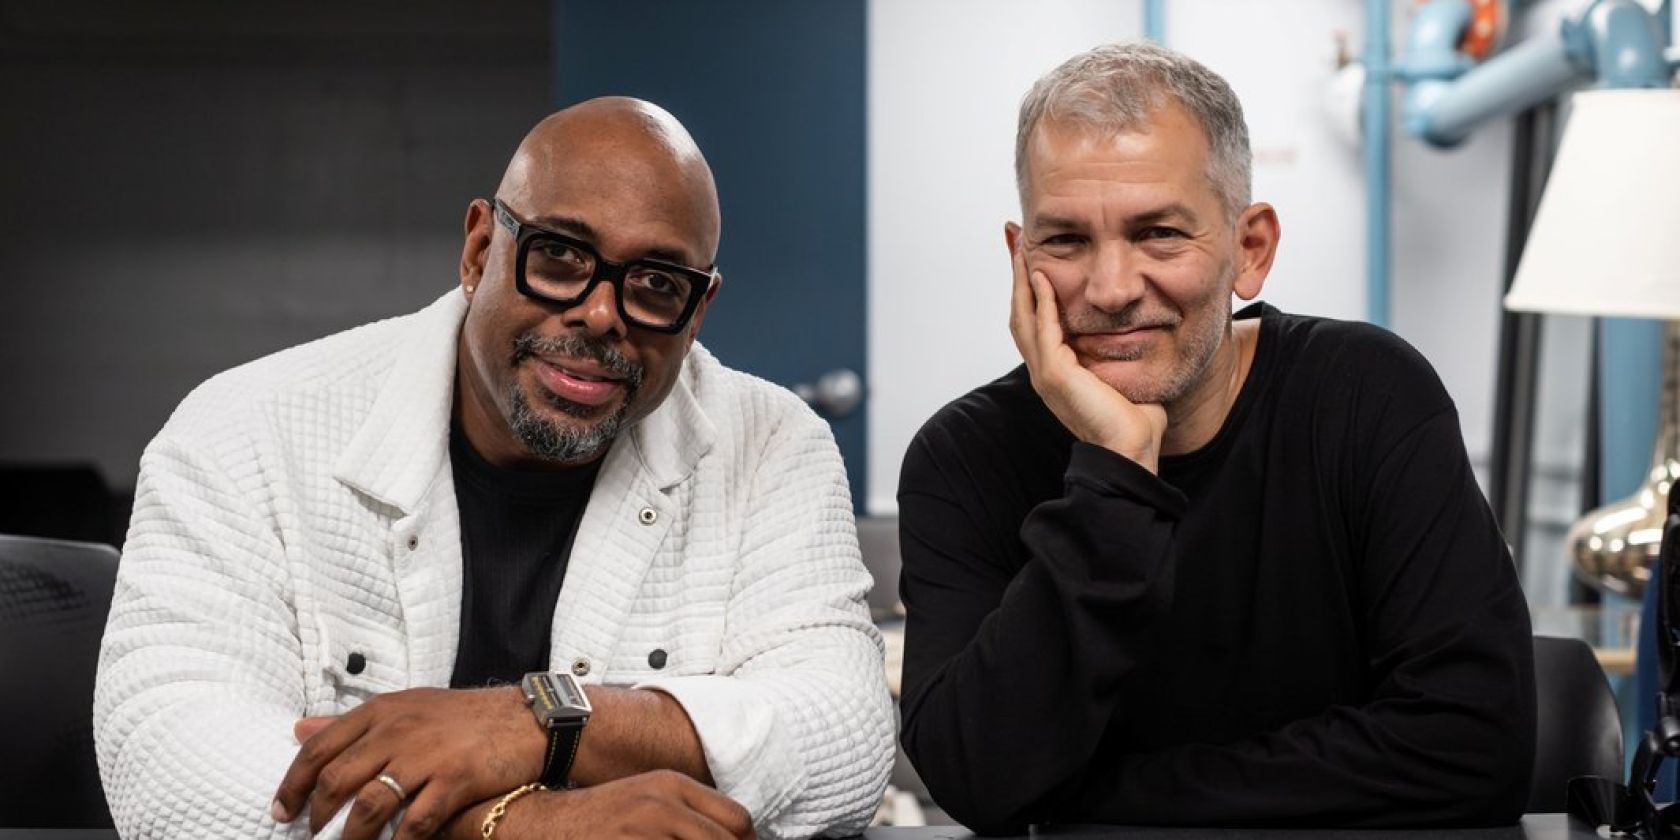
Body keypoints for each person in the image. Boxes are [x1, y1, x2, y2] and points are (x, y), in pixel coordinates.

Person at [95, 97, 894, 840]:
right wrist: (521, 826)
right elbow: (168, 761)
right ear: (480, 249)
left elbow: (845, 738)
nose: (601, 313)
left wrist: (535, 724)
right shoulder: (247, 428)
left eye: (656, 284)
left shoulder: (770, 442)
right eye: (560, 256)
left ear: (699, 309)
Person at [896, 43, 1535, 833]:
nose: (1112, 289)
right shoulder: (962, 457)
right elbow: (975, 775)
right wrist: (1114, 473)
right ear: (1020, 255)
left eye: (1160, 233)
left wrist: (1099, 799)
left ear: (1250, 249)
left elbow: (1475, 744)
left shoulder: (1367, 395)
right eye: (1064, 241)